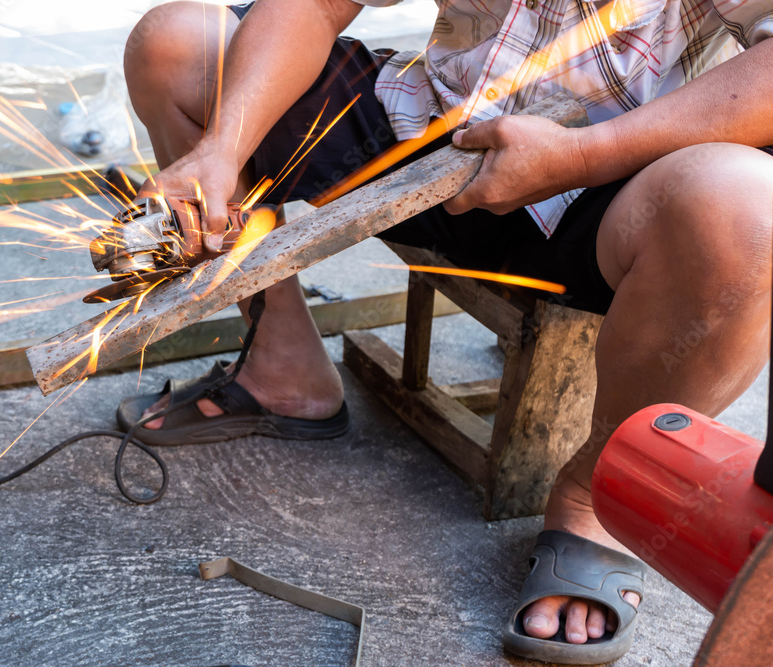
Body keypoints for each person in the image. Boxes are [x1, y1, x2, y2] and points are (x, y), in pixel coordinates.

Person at [117, 0, 773, 662]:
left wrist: (582, 155)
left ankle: (598, 494)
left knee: (749, 217)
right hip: (431, 133)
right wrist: (221, 148)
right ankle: (281, 363)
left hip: (618, 179)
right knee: (176, 48)